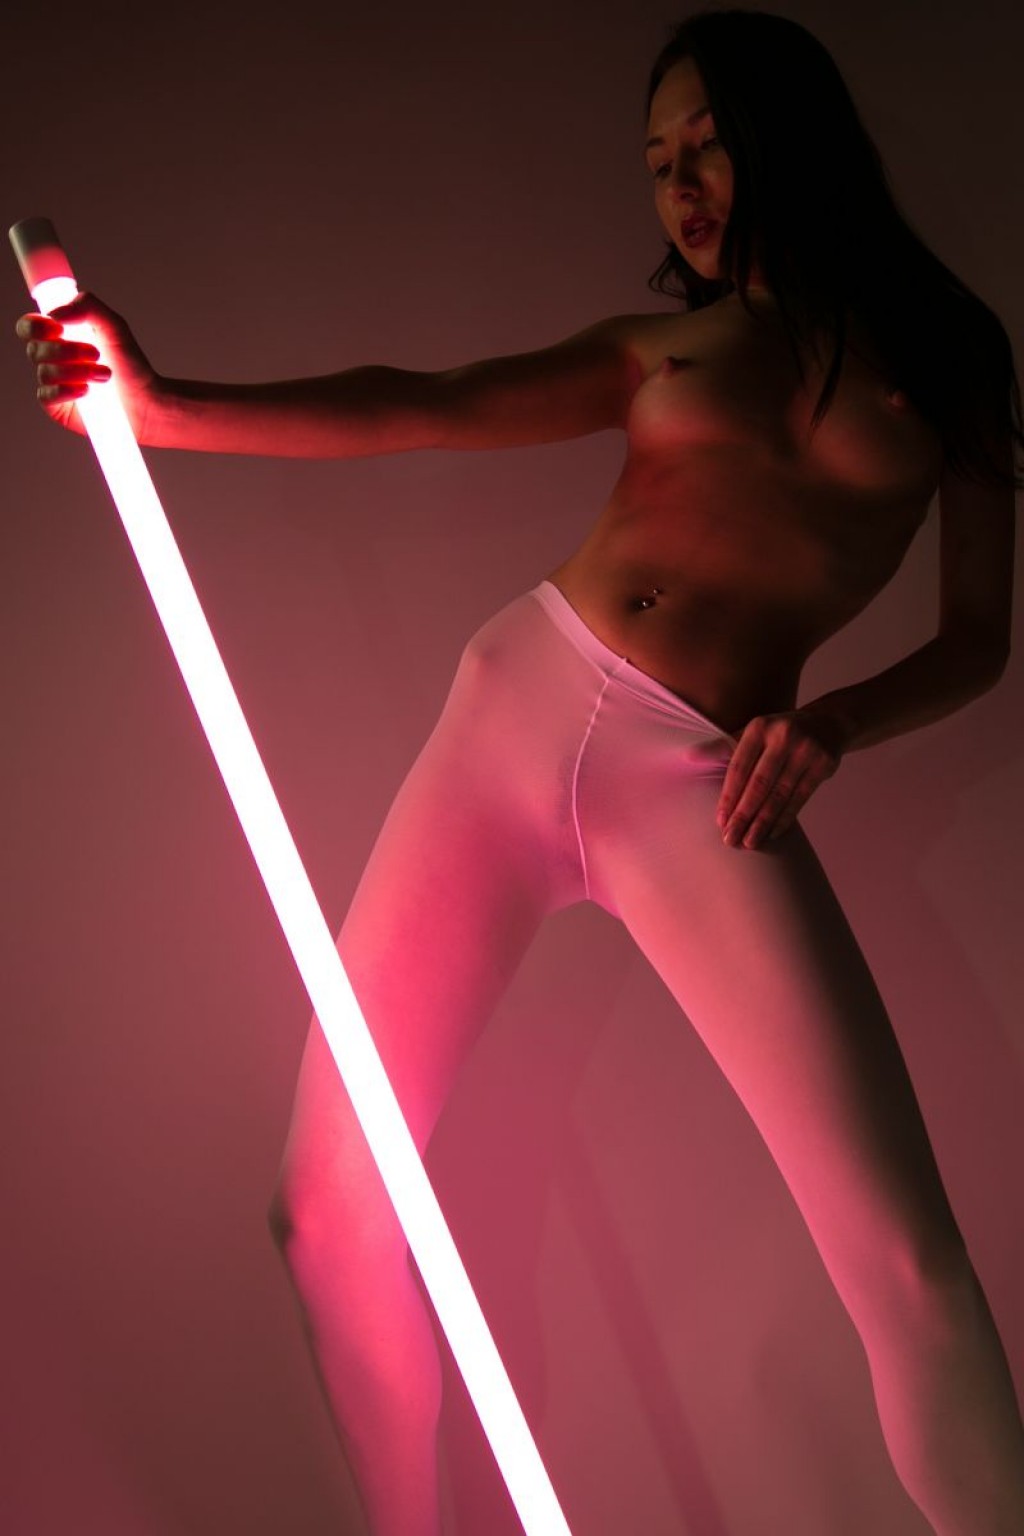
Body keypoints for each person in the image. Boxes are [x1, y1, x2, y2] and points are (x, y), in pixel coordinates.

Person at [17, 9, 1024, 1534]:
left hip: (704, 784)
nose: (679, 185)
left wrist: (834, 722)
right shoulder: (670, 347)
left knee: (905, 1263)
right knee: (329, 1212)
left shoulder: (953, 361)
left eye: (709, 143)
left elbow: (978, 639)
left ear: (793, 134)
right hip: (520, 714)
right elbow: (424, 402)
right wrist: (165, 411)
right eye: (656, 159)